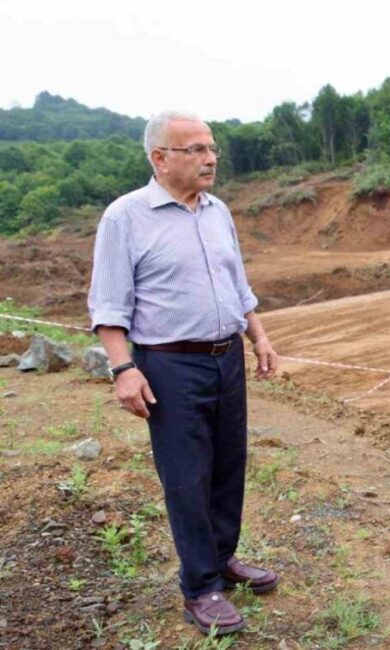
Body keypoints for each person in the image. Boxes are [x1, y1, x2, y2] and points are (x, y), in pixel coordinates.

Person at [88, 111, 279, 636]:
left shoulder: (218, 212)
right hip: (169, 363)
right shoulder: (125, 218)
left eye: (211, 147)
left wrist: (257, 336)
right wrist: (123, 369)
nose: (210, 158)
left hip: (226, 357)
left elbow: (237, 285)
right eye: (194, 149)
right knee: (186, 474)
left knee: (227, 464)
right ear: (160, 158)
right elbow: (107, 307)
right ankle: (200, 587)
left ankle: (221, 560)